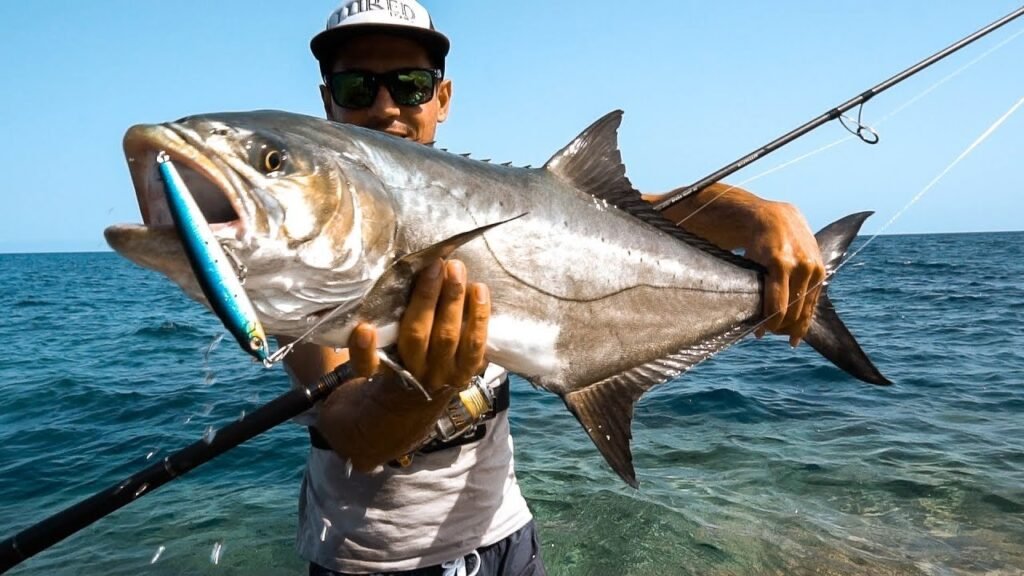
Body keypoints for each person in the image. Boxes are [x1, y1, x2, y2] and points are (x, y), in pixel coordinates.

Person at [284, 2, 826, 575]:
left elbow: (639, 216)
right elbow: (354, 435)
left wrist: (760, 214)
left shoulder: (508, 199)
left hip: (506, 540)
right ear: (327, 101)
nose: (385, 107)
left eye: (410, 85)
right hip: (366, 561)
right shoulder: (308, 249)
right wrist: (425, 386)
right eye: (356, 86)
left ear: (442, 98)